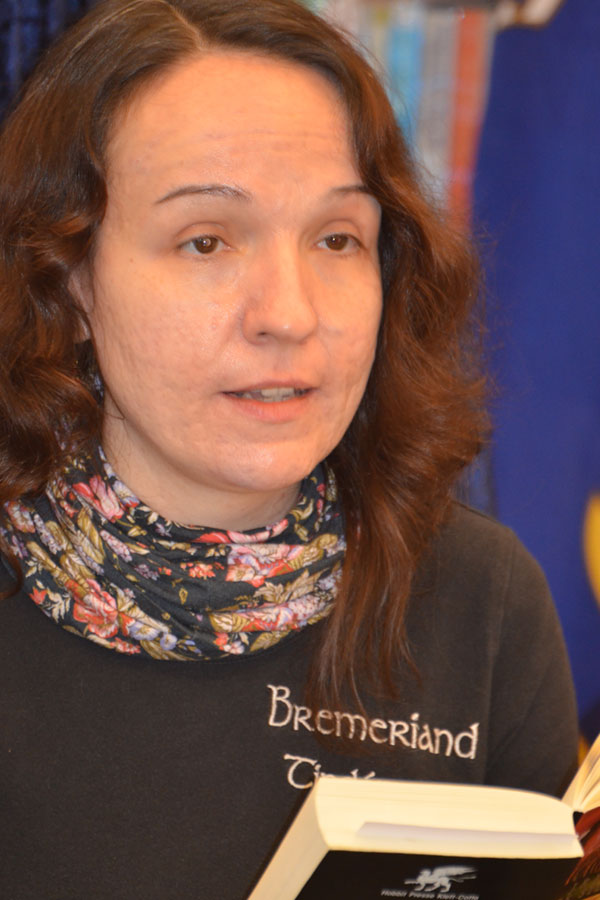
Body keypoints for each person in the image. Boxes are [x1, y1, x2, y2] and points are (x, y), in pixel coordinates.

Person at [0, 1, 577, 897]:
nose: (289, 314)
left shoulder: (483, 599)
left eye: (337, 239)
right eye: (206, 241)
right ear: (68, 278)